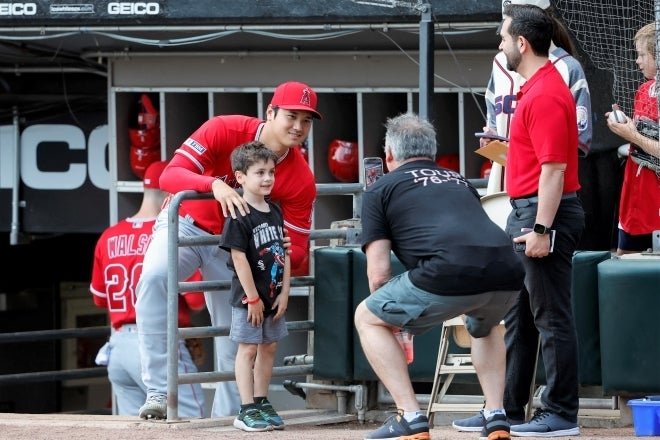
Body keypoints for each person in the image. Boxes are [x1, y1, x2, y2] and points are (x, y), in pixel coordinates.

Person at [135, 81, 321, 419]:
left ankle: (232, 415)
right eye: (291, 116)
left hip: (237, 249)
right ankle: (159, 392)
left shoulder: (300, 178)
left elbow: (298, 253)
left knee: (237, 336)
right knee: (153, 278)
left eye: (306, 121)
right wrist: (213, 185)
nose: (298, 127)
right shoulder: (226, 127)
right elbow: (170, 176)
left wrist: (274, 255)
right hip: (187, 225)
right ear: (270, 112)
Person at [454, 0, 592, 433]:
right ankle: (508, 409)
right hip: (528, 207)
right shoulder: (534, 86)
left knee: (552, 317)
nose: (499, 42)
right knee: (521, 317)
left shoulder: (548, 90)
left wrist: (541, 229)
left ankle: (561, 413)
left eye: (504, 34)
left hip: (543, 211)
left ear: (522, 42)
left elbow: (555, 170)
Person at [354, 112, 526, 440]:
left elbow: (378, 274)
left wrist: (392, 319)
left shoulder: (379, 190)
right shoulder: (458, 179)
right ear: (432, 153)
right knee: (485, 326)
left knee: (366, 316)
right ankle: (495, 416)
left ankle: (410, 416)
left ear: (389, 155)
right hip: (508, 269)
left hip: (449, 270)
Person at [89, 160, 206, 417]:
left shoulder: (108, 236)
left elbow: (100, 301)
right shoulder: (171, 234)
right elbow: (197, 299)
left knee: (138, 431)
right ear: (170, 193)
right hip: (159, 343)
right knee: (189, 422)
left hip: (118, 347)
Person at [479, 0, 591, 197]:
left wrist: (522, 152)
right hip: (503, 184)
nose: (501, 45)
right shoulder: (499, 62)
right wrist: (491, 140)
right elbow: (493, 124)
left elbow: (578, 142)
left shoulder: (567, 67)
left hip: (543, 191)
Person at [218, 141, 290, 432]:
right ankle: (246, 408)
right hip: (249, 300)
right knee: (248, 349)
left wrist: (285, 292)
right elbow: (238, 257)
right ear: (241, 177)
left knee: (269, 347)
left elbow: (283, 253)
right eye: (260, 172)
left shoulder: (274, 210)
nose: (268, 178)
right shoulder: (239, 214)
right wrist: (252, 298)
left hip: (273, 294)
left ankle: (261, 401)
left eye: (271, 171)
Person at [605, 22, 660, 255]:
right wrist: (627, 126)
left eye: (642, 55)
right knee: (624, 262)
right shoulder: (643, 90)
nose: (637, 61)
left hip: (655, 199)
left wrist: (632, 134)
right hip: (635, 196)